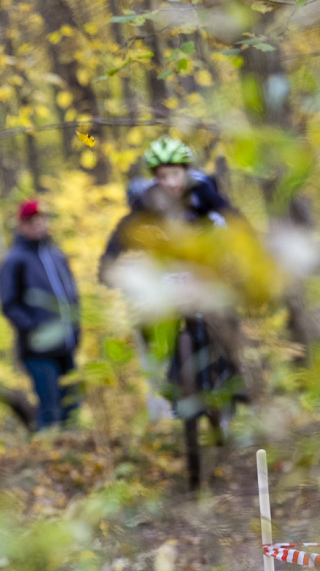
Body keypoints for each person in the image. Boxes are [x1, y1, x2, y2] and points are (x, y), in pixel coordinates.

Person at [98, 137, 250, 489]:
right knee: (150, 320)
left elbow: (235, 224)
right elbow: (121, 236)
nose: (170, 182)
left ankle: (234, 378)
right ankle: (169, 382)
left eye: (175, 174)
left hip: (205, 276)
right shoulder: (147, 204)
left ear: (186, 172)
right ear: (155, 177)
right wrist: (109, 266)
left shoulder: (204, 195)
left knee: (225, 315)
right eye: (162, 176)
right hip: (169, 284)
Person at [0, 201, 81, 430]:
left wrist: (75, 329)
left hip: (66, 344)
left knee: (72, 408)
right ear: (22, 225)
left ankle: (75, 448)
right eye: (32, 221)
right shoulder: (14, 260)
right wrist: (34, 328)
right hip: (38, 350)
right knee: (51, 409)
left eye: (42, 220)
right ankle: (47, 446)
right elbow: (9, 304)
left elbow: (72, 295)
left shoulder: (56, 255)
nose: (39, 225)